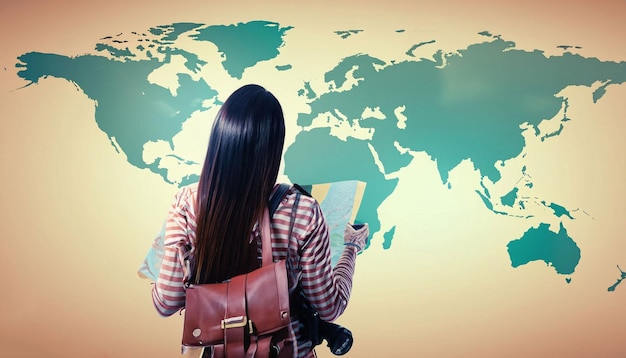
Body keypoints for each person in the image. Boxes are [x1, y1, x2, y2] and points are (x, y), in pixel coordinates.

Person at [151, 84, 369, 357]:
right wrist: (351, 248)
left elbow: (167, 302)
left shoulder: (186, 203)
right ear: (273, 147)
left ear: (220, 139)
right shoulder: (303, 211)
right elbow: (329, 306)